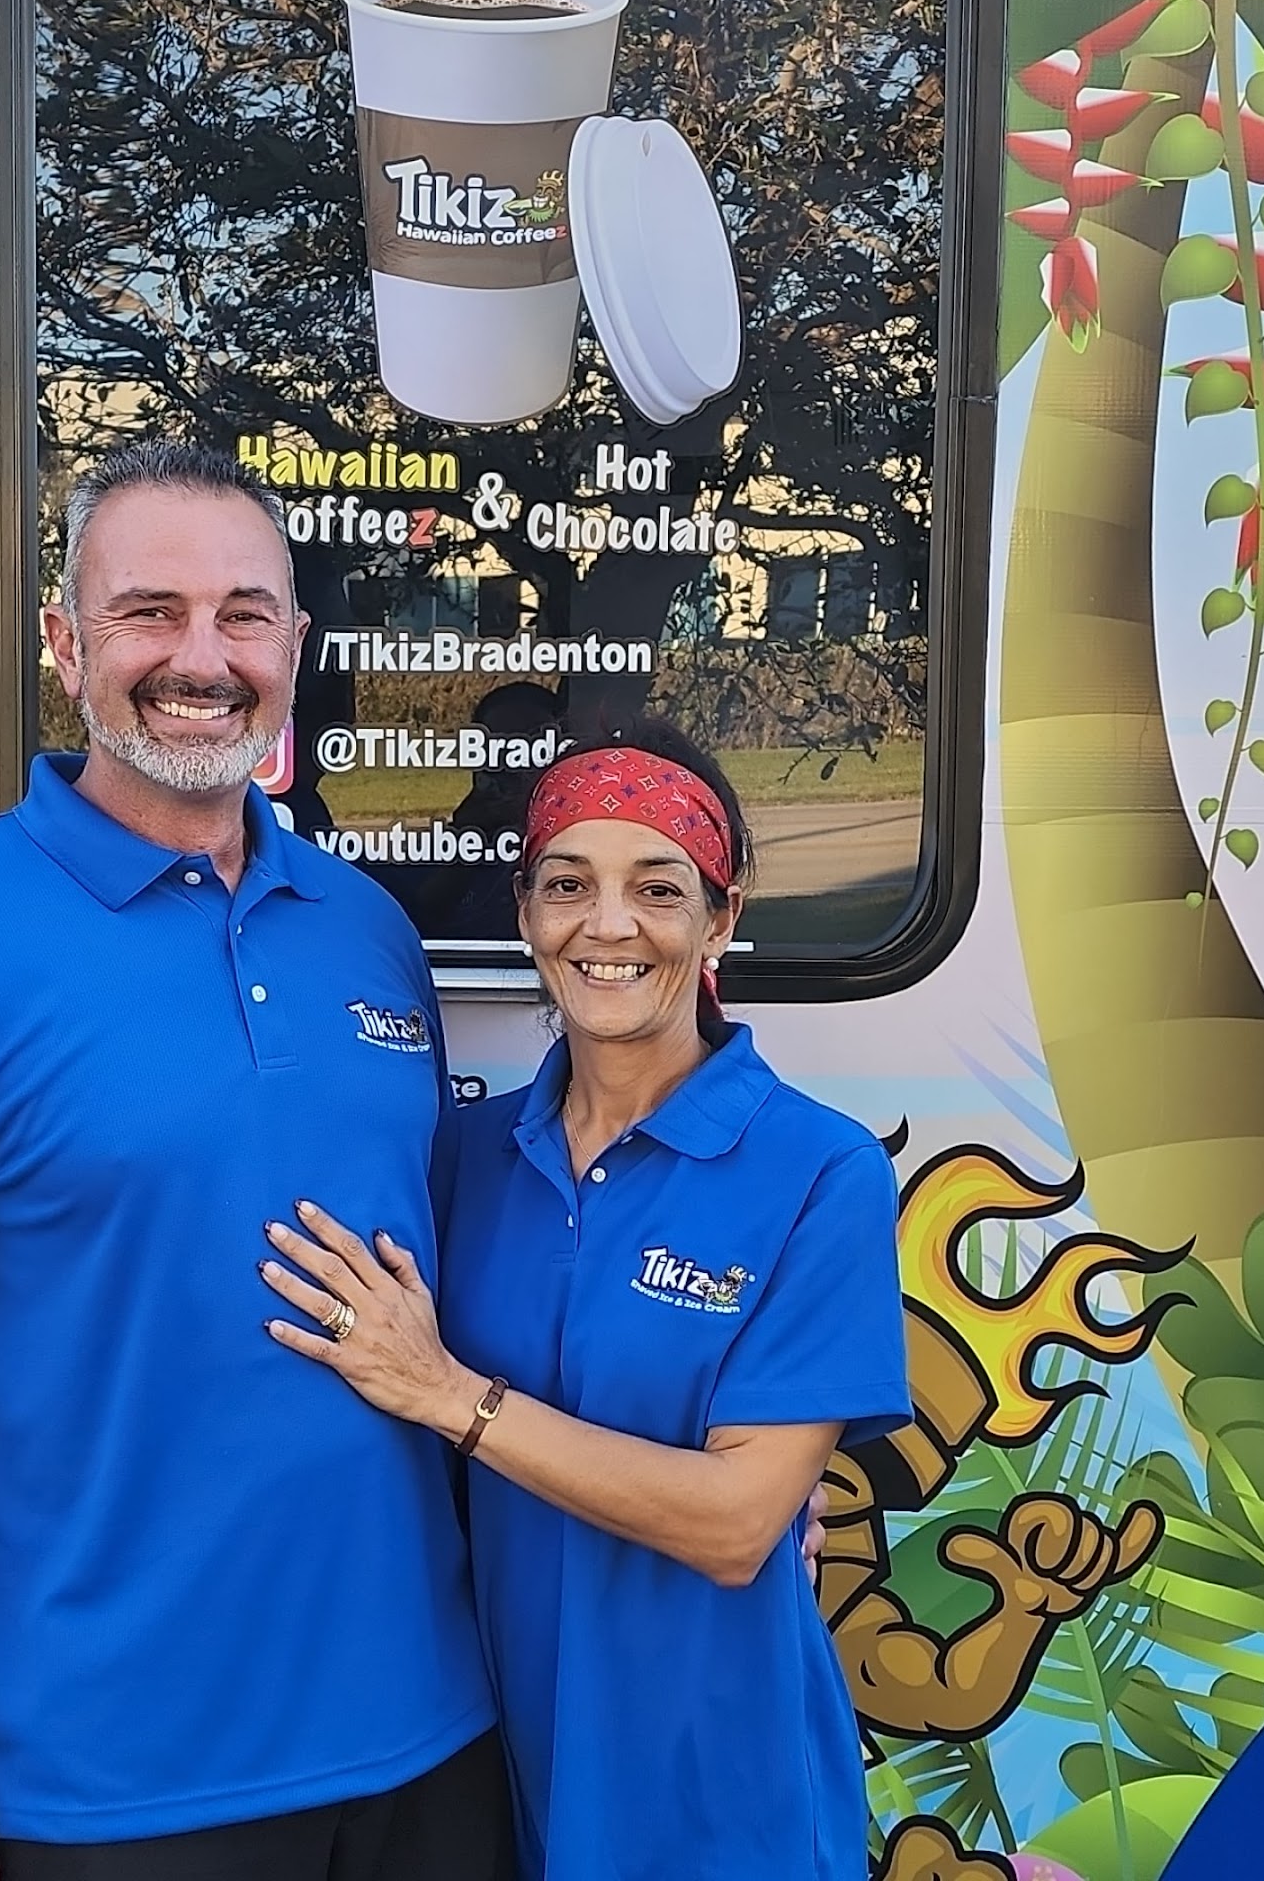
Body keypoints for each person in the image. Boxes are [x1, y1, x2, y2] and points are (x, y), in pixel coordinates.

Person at [0, 442, 511, 1881]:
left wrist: (732, 1454)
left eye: (244, 615)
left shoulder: (366, 933)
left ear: (294, 646)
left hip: (432, 1739)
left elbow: (466, 1293)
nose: (201, 658)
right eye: (149, 611)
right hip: (120, 1786)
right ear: (65, 644)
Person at [264, 721, 911, 1881]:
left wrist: (453, 1396)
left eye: (657, 887)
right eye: (567, 884)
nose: (607, 925)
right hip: (482, 1776)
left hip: (714, 1786)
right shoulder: (463, 1153)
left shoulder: (818, 1169)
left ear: (720, 917)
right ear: (525, 913)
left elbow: (734, 1525)